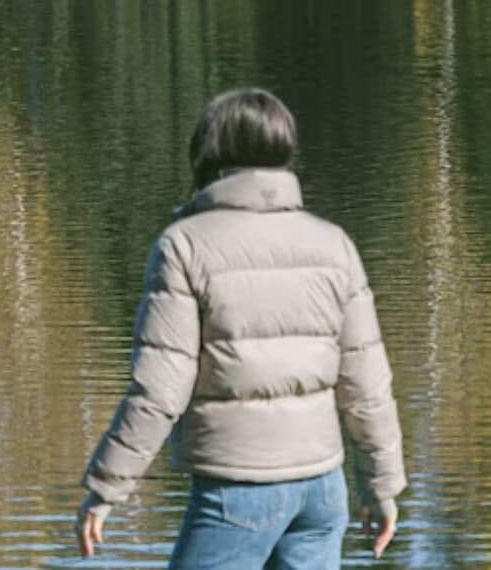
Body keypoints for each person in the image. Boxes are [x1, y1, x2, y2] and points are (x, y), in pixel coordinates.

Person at [74, 88, 405, 567]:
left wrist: (106, 488)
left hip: (236, 491)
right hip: (322, 492)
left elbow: (160, 391)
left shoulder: (183, 247)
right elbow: (367, 385)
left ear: (207, 152)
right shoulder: (335, 245)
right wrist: (382, 486)